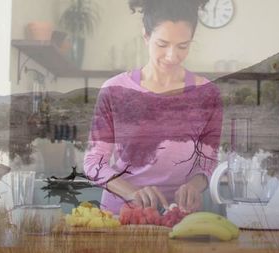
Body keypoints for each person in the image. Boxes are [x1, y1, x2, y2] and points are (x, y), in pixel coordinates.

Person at [84, 0, 222, 214]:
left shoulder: (207, 93)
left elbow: (208, 161)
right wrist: (131, 193)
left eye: (182, 46)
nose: (172, 55)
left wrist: (194, 187)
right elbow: (94, 163)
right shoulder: (114, 89)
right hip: (122, 212)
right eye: (162, 44)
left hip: (181, 214)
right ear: (146, 36)